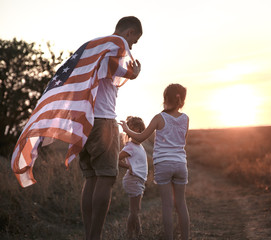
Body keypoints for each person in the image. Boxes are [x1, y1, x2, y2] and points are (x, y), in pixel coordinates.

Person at [78, 16, 142, 240]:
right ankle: (94, 237)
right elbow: (114, 67)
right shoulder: (115, 45)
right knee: (105, 178)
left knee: (91, 179)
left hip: (82, 121)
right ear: (130, 32)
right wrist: (133, 74)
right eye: (133, 41)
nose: (131, 47)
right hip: (103, 121)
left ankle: (89, 235)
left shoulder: (93, 47)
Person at [119, 83, 190, 240]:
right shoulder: (186, 118)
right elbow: (182, 141)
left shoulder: (159, 118)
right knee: (181, 204)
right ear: (181, 100)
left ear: (165, 98)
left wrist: (126, 129)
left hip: (164, 164)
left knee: (167, 205)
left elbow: (141, 137)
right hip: (180, 164)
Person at [118, 116, 148, 239]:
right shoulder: (130, 146)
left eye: (141, 132)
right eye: (137, 131)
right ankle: (129, 235)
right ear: (130, 132)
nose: (140, 134)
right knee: (134, 211)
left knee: (136, 210)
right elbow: (115, 159)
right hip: (133, 180)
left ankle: (138, 234)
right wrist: (127, 166)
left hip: (138, 180)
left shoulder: (139, 146)